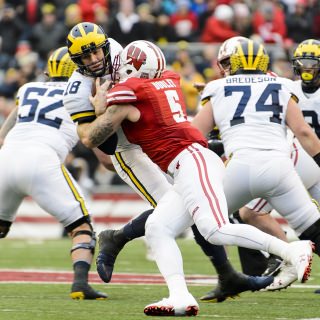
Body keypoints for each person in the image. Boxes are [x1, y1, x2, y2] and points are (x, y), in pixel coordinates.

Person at [89, 39, 314, 316]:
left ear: (133, 68)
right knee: (158, 228)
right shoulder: (168, 79)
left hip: (192, 161)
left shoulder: (133, 89)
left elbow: (95, 135)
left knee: (214, 229)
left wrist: (99, 105)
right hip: (191, 163)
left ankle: (292, 251)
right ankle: (179, 296)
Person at [63, 22, 275, 304]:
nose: (94, 60)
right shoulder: (76, 91)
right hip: (127, 147)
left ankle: (225, 276)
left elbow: (152, 79)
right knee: (182, 206)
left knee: (192, 200)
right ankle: (223, 275)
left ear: (105, 44)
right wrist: (103, 109)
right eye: (85, 57)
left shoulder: (118, 50)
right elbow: (92, 139)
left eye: (95, 52)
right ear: (75, 61)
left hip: (155, 134)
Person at [0, 47, 107, 300]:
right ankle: (80, 284)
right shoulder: (80, 92)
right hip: (42, 159)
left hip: (7, 157)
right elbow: (93, 136)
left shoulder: (27, 89)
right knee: (81, 226)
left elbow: (3, 135)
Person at [240, 38, 320, 292]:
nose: (307, 68)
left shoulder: (286, 88)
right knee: (310, 223)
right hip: (302, 160)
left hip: (301, 160)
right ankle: (285, 255)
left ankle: (287, 255)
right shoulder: (288, 87)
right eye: (302, 63)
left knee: (249, 212)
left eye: (312, 63)